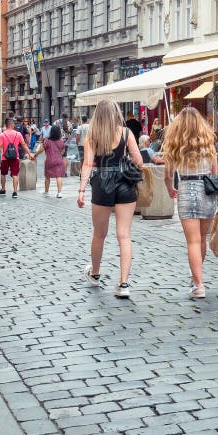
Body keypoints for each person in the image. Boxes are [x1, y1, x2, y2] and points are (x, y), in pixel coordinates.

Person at [77, 100, 143, 299]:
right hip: (124, 182)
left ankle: (95, 273)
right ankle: (123, 283)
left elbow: (88, 164)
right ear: (116, 113)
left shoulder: (93, 135)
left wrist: (81, 190)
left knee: (99, 234)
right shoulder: (126, 133)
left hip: (102, 182)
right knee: (124, 235)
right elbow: (139, 160)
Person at [163, 107, 218, 299]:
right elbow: (215, 172)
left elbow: (167, 174)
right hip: (206, 190)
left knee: (192, 241)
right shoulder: (208, 143)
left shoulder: (175, 143)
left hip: (186, 189)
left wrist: (170, 189)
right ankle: (196, 276)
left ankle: (198, 284)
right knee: (202, 238)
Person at [0, 117, 34, 198]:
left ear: (6, 125)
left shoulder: (3, 134)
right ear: (12, 125)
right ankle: (15, 192)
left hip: (5, 158)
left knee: (3, 174)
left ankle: (3, 189)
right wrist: (30, 154)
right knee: (15, 174)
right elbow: (23, 145)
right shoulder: (18, 134)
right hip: (15, 157)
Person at [35, 124, 66, 198]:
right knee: (58, 176)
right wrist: (58, 155)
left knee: (47, 176)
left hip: (49, 160)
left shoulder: (47, 141)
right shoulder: (61, 141)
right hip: (59, 160)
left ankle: (46, 191)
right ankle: (59, 193)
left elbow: (41, 150)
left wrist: (35, 155)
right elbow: (63, 151)